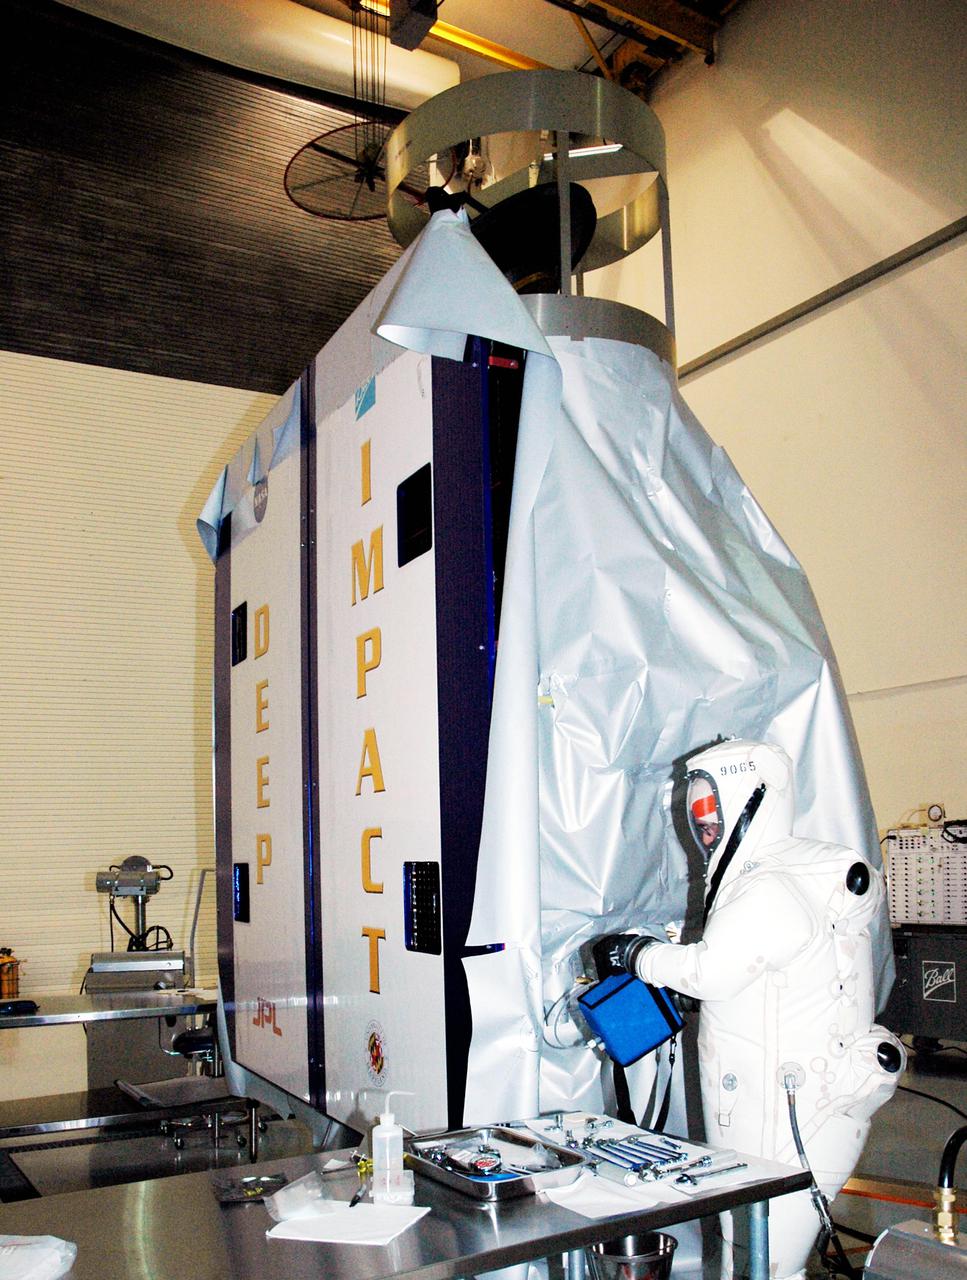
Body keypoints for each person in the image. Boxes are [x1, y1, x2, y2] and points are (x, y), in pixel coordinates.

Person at [597, 738, 904, 1280]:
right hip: (774, 1113)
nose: (706, 826)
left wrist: (638, 955)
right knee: (759, 1256)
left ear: (755, 798)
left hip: (788, 1121)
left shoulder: (770, 888)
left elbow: (710, 971)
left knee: (769, 1264)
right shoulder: (769, 878)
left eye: (714, 812)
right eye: (698, 815)